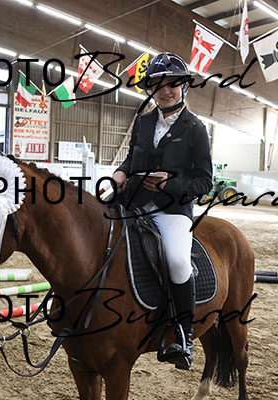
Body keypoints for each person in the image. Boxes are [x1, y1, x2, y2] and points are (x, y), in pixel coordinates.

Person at [112, 52, 213, 370]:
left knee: (178, 261)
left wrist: (170, 184)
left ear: (183, 87)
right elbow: (131, 160)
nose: (165, 90)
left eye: (172, 84)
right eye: (159, 85)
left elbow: (204, 181)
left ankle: (182, 334)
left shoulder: (195, 128)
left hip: (173, 210)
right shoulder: (143, 122)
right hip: (135, 202)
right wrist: (120, 173)